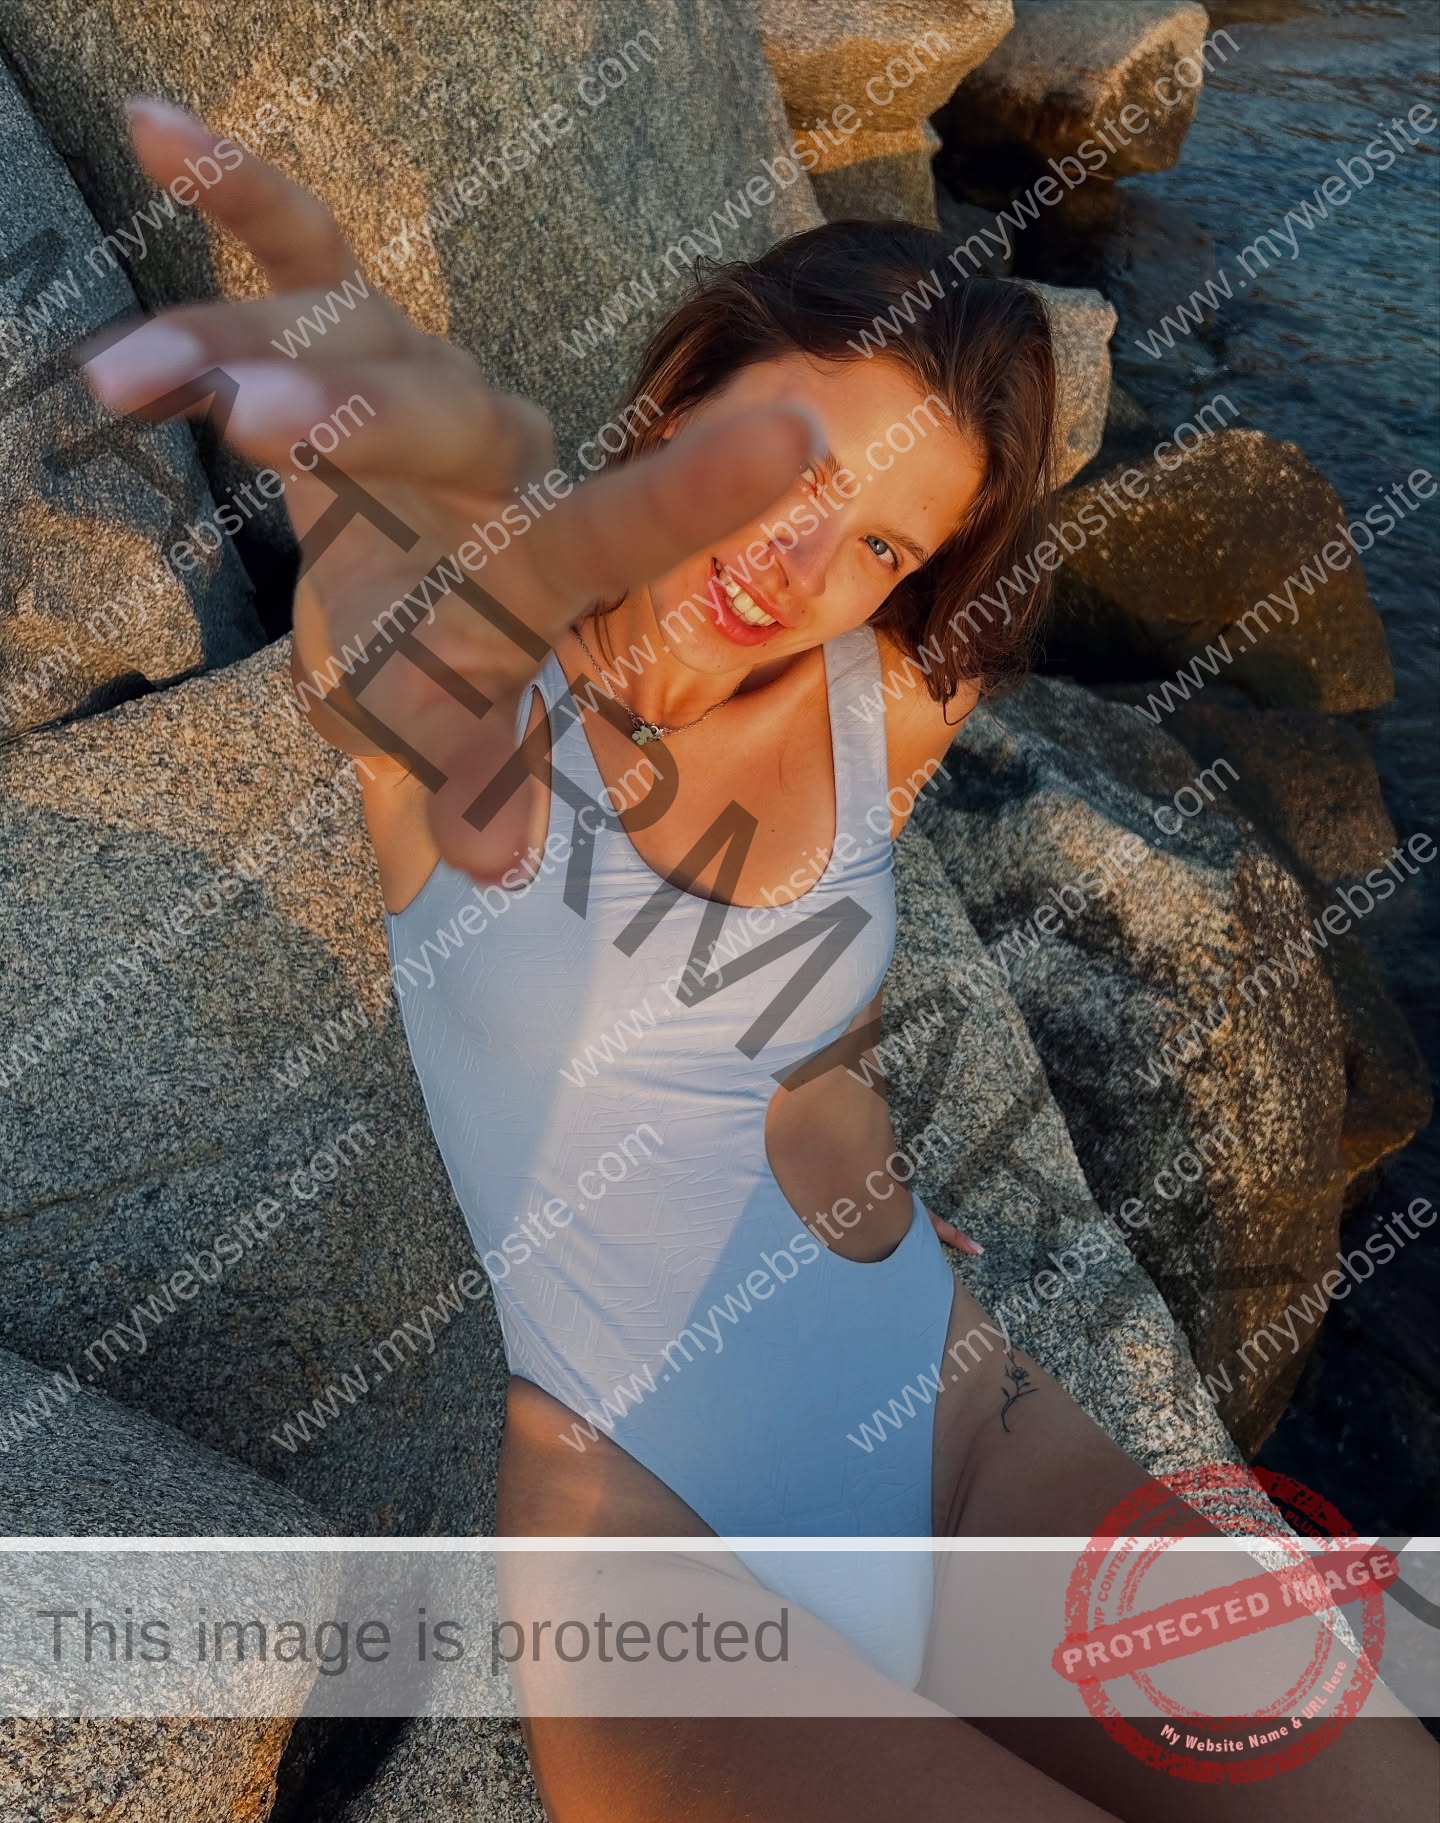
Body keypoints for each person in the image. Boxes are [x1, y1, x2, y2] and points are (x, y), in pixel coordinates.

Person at [83, 98, 1437, 1823]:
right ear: (682, 396)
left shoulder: (899, 699)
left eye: (880, 543)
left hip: (958, 1426)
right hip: (658, 1553)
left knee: (1384, 1795)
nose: (803, 570)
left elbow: (813, 1026)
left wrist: (834, 1135)